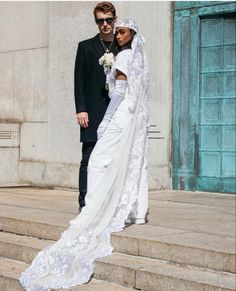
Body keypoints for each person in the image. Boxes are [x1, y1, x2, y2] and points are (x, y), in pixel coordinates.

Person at [20, 18, 149, 290]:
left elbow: (119, 93)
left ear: (132, 33)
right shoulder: (138, 58)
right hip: (132, 118)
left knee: (98, 161)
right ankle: (131, 209)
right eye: (117, 32)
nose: (118, 35)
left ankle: (94, 209)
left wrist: (107, 110)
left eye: (122, 31)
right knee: (127, 162)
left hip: (119, 116)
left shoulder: (123, 58)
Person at [74, 1, 117, 210]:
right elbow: (79, 80)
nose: (105, 24)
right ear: (96, 22)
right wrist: (80, 109)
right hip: (91, 110)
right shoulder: (85, 46)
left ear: (115, 20)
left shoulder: (122, 46)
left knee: (113, 159)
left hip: (116, 112)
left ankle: (108, 203)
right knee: (88, 158)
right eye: (100, 21)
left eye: (109, 20)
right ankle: (84, 204)